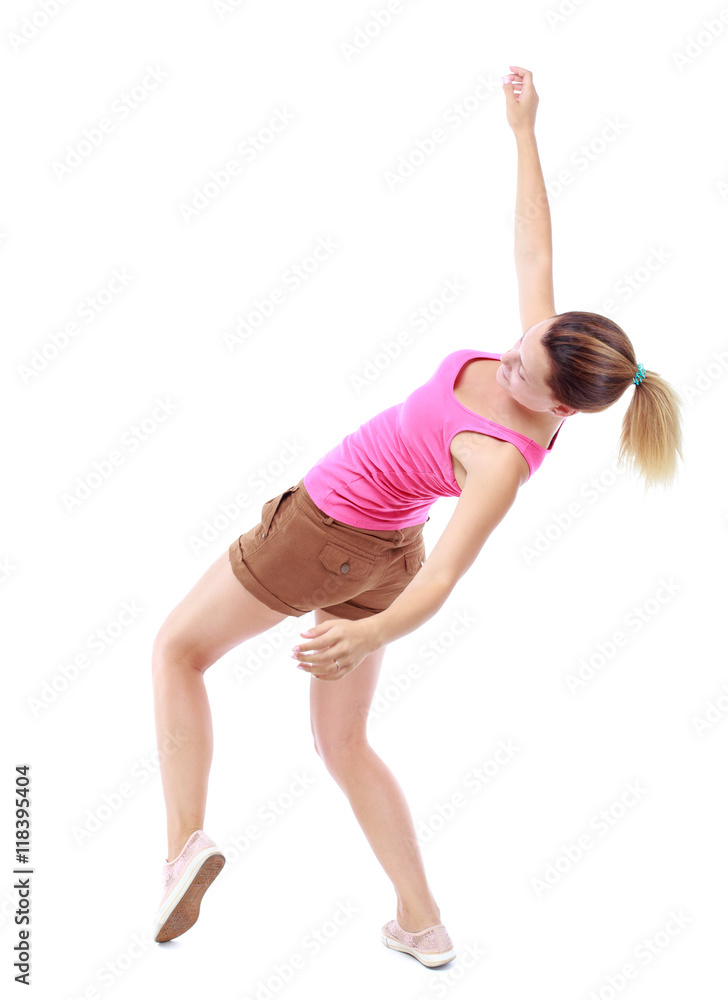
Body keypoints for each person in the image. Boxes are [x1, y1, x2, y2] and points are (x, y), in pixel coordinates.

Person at [150, 66, 684, 965]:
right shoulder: (551, 354)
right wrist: (524, 132)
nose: (509, 358)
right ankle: (421, 922)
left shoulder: (500, 461)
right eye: (520, 345)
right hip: (383, 555)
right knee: (344, 741)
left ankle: (182, 847)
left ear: (562, 410)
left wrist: (366, 635)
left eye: (521, 374)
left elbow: (445, 579)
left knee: (177, 651)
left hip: (324, 537)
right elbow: (533, 248)